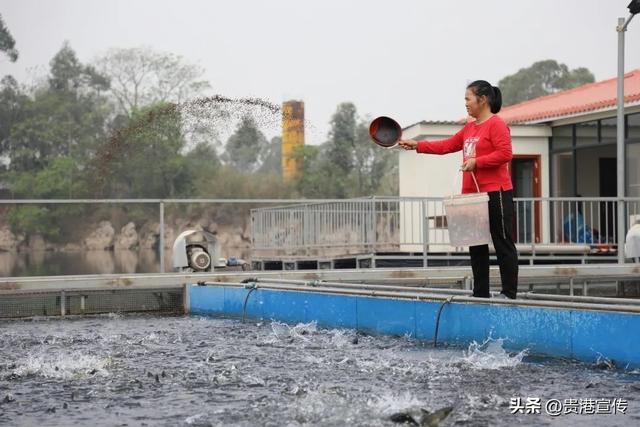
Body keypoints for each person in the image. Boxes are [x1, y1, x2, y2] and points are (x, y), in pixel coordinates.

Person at [398, 80, 518, 299]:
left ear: (482, 100)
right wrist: (418, 145)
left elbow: (505, 154)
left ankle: (509, 293)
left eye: (467, 98)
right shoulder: (469, 128)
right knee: (476, 244)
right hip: (471, 196)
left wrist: (477, 162)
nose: (465, 103)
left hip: (496, 193)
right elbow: (447, 145)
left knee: (502, 243)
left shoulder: (496, 124)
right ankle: (480, 293)